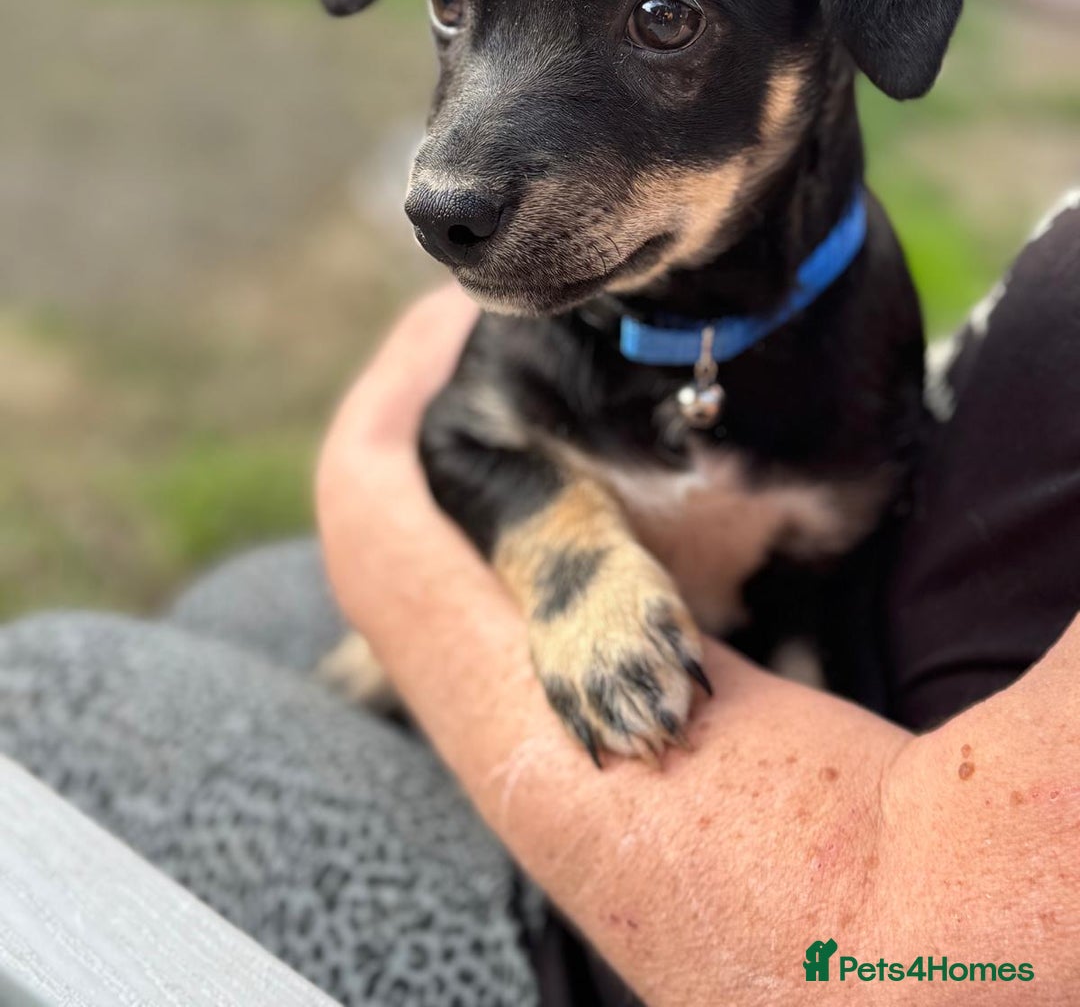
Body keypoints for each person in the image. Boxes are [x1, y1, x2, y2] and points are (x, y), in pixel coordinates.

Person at [1, 194, 1078, 1005]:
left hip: (644, 935)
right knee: (243, 602)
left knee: (47, 690)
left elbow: (929, 964)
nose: (445, 181)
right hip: (748, 698)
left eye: (662, 20)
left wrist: (374, 495)